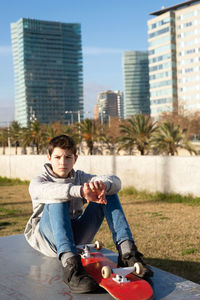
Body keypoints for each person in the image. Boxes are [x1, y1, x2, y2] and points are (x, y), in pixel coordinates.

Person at [25, 135, 153, 294]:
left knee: (108, 192)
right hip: (49, 240)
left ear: (75, 159)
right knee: (56, 197)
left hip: (75, 236)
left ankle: (127, 254)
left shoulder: (79, 176)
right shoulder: (40, 180)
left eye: (68, 157)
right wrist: (80, 191)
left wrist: (103, 186)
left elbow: (116, 181)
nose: (62, 162)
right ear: (49, 157)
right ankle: (71, 267)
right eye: (57, 157)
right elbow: (46, 190)